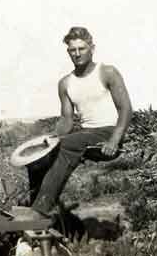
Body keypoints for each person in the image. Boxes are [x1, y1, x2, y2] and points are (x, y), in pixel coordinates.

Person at [25, 27, 133, 218]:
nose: (77, 54)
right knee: (40, 155)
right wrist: (50, 140)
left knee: (67, 145)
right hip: (85, 134)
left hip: (107, 135)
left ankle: (39, 210)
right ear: (68, 52)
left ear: (92, 48)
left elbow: (125, 109)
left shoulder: (107, 72)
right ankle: (36, 204)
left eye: (81, 49)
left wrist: (114, 140)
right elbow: (66, 120)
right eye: (72, 50)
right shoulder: (65, 83)